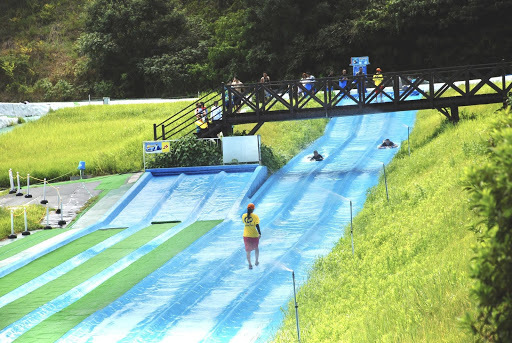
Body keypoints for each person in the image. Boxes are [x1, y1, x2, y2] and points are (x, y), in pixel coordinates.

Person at [242, 203, 261, 269]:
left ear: (247, 208)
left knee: (248, 251)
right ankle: (256, 261)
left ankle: (250, 264)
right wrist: (259, 233)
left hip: (246, 235)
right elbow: (257, 225)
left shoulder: (243, 216)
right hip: (254, 235)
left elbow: (244, 222)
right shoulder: (255, 216)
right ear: (253, 209)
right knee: (256, 248)